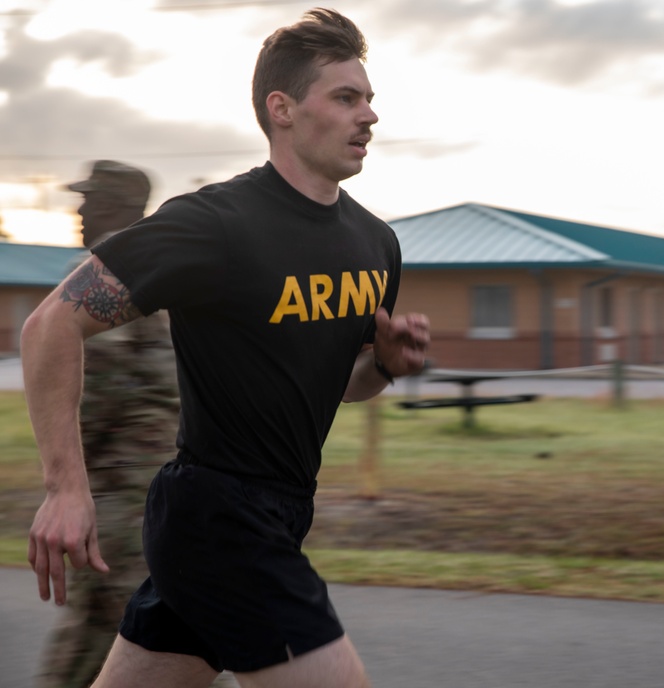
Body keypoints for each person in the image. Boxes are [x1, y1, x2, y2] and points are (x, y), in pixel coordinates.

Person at [22, 8, 429, 688]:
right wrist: (67, 487)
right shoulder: (214, 226)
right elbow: (49, 325)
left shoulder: (374, 244)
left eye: (370, 100)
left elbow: (342, 382)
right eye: (346, 98)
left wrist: (383, 365)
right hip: (219, 519)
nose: (369, 117)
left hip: (281, 510)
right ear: (284, 109)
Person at [34, 160, 175, 688]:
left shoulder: (112, 273)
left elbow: (96, 379)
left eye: (89, 199)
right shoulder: (160, 265)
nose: (79, 209)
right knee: (123, 633)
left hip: (123, 489)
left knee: (135, 640)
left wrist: (67, 480)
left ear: (117, 207)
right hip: (156, 485)